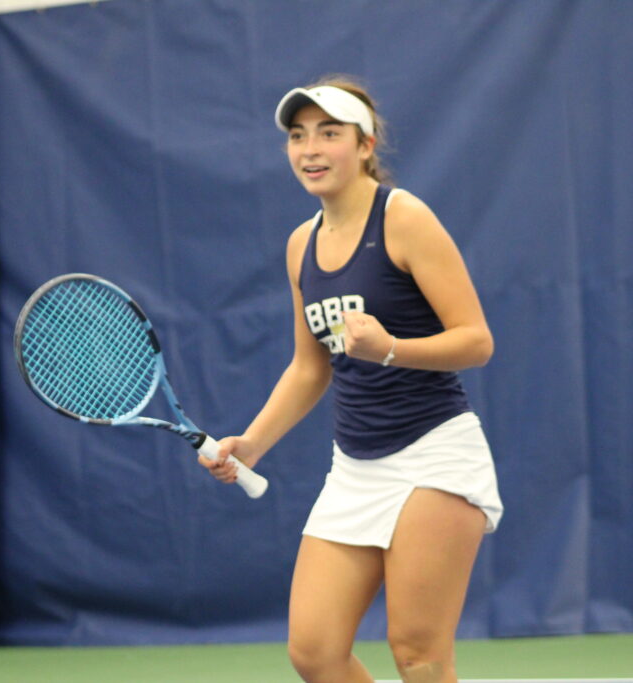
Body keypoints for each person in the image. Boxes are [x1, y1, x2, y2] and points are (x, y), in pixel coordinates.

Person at [199, 76, 503, 683]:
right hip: (355, 469)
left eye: (329, 134)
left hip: (435, 455)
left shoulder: (404, 218)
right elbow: (310, 366)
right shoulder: (301, 245)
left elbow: (476, 341)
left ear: (365, 146)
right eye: (298, 135)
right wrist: (252, 444)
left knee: (418, 654)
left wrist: (389, 348)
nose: (310, 149)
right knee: (314, 652)